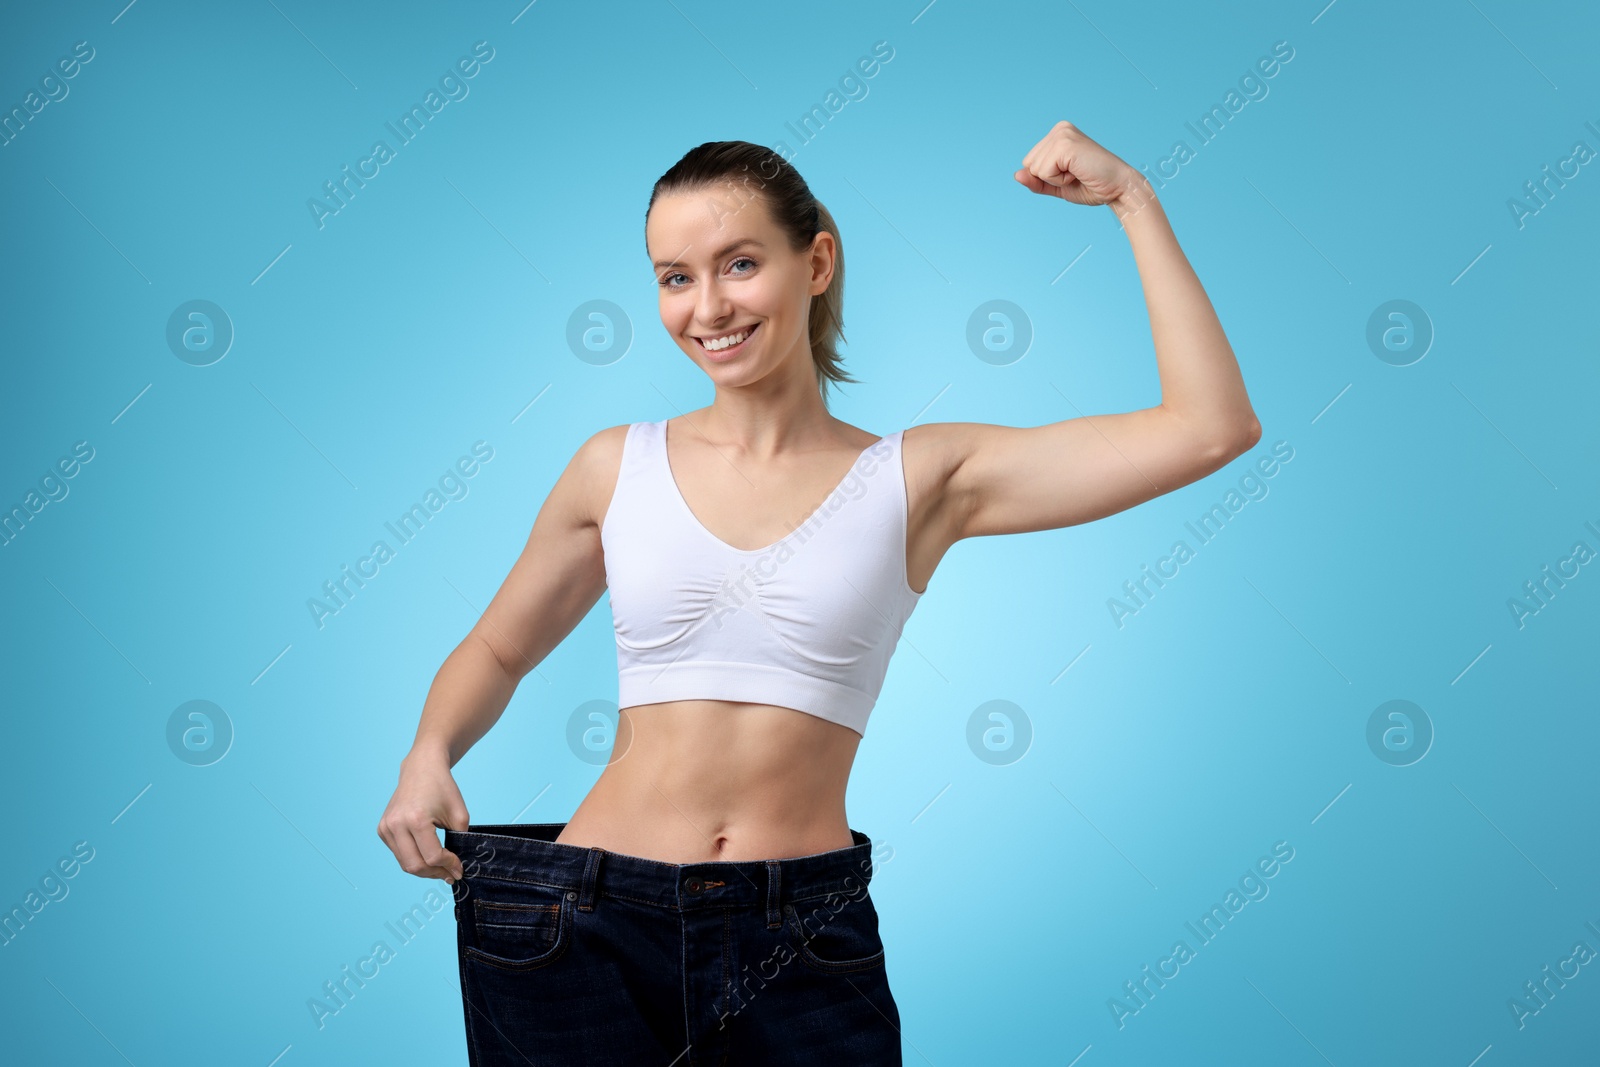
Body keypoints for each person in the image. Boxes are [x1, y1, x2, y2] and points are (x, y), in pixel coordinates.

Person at [377, 120, 1260, 1065]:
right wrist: (429, 750)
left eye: (740, 262)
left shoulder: (921, 479)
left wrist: (1134, 201)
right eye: (675, 277)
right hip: (583, 922)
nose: (706, 305)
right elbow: (500, 649)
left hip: (797, 932)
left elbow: (1210, 428)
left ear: (818, 262)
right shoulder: (614, 467)